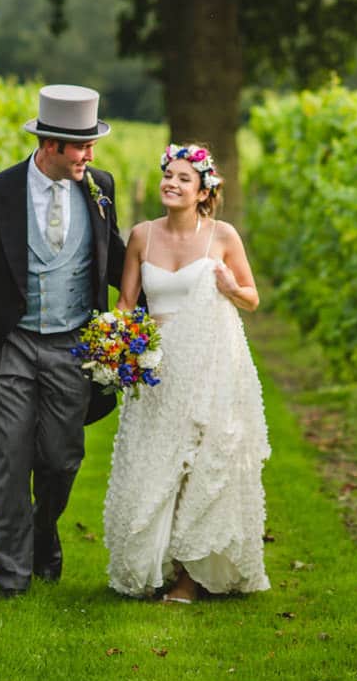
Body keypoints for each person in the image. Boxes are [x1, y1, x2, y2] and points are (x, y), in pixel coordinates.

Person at [0, 85, 127, 597]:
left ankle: (43, 532)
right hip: (11, 345)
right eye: (81, 146)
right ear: (52, 144)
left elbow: (120, 263)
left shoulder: (100, 188)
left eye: (92, 146)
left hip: (73, 347)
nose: (90, 155)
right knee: (8, 461)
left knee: (61, 460)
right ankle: (11, 578)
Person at [102, 143, 270, 603]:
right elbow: (126, 303)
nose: (171, 184)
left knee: (199, 460)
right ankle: (153, 562)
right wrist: (114, 343)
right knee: (154, 461)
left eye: (183, 179)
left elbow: (251, 297)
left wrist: (232, 287)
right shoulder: (142, 235)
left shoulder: (223, 236)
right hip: (158, 366)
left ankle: (190, 576)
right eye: (168, 176)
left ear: (202, 191)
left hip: (210, 363)